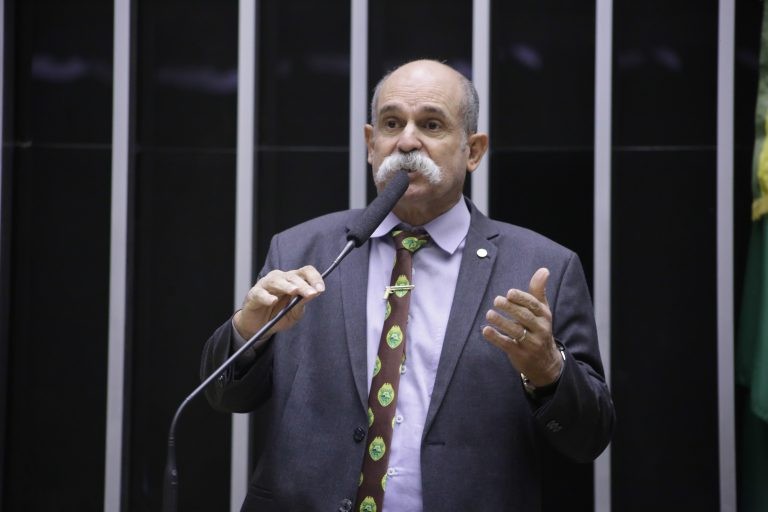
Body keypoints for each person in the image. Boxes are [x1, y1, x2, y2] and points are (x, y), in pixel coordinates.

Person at [201, 59, 614, 512]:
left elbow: (589, 438)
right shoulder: (302, 248)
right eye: (392, 123)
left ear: (473, 150)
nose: (407, 141)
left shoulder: (541, 267)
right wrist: (248, 332)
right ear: (369, 143)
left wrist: (548, 371)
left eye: (432, 124)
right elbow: (226, 396)